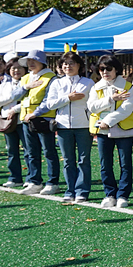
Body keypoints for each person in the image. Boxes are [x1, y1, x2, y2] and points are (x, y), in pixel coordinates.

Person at [40, 51, 94, 204]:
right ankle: (70, 190)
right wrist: (67, 98)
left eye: (71, 63)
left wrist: (92, 124)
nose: (67, 66)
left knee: (84, 160)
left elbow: (92, 105)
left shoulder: (88, 83)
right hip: (63, 126)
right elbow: (50, 104)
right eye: (65, 64)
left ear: (79, 66)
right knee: (68, 160)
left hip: (83, 125)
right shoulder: (56, 83)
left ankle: (82, 191)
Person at [87, 55, 133, 208]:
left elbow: (127, 109)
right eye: (101, 69)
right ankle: (110, 194)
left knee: (125, 163)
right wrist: (111, 99)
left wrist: (107, 121)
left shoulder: (127, 86)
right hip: (102, 131)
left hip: (123, 130)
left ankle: (123, 195)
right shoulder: (96, 87)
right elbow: (92, 107)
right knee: (105, 164)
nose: (105, 72)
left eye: (109, 68)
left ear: (116, 69)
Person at [19, 49, 60, 195]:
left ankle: (52, 182)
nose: (30, 63)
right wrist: (25, 87)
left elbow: (48, 99)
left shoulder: (51, 77)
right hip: (26, 119)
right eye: (28, 61)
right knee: (31, 152)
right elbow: (18, 95)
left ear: (42, 62)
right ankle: (34, 181)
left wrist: (35, 113)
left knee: (48, 151)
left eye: (33, 60)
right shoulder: (25, 78)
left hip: (43, 119)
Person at [0, 60, 27, 187]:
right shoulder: (5, 84)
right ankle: (15, 178)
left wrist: (15, 109)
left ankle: (31, 179)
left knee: (28, 151)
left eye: (19, 68)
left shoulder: (28, 82)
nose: (16, 71)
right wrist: (12, 97)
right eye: (13, 68)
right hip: (8, 122)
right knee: (12, 151)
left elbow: (30, 101)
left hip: (23, 120)